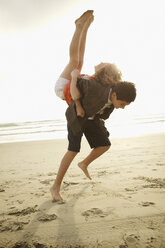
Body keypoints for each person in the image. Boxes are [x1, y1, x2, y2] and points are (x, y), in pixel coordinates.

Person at [51, 10, 136, 201]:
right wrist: (77, 96)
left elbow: (103, 108)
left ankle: (82, 27)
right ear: (115, 94)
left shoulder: (111, 92)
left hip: (85, 107)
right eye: (122, 104)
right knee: (76, 61)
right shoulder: (94, 86)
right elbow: (75, 94)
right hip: (66, 89)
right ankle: (55, 188)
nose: (121, 107)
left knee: (103, 143)